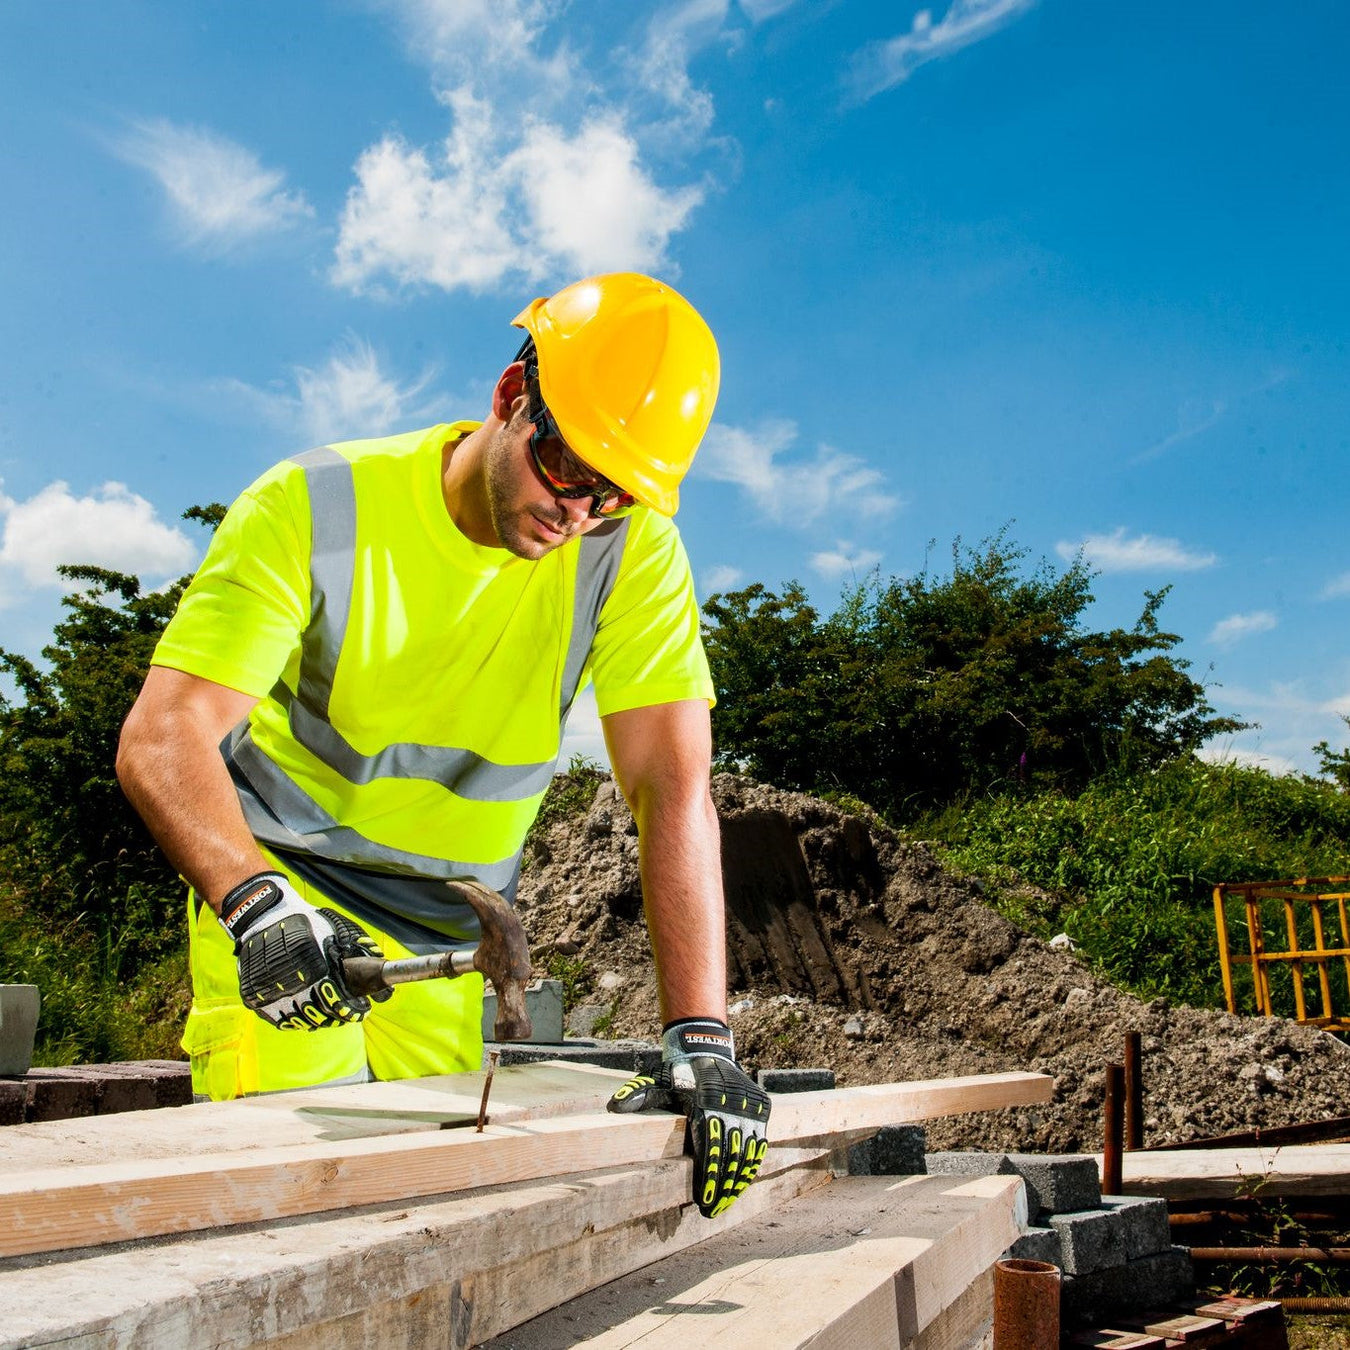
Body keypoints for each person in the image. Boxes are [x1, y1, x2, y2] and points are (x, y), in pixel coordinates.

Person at [116, 272, 769, 1217]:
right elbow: (162, 735)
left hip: (450, 936)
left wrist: (701, 1036)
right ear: (512, 400)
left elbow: (673, 790)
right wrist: (255, 906)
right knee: (286, 1216)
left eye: (614, 497)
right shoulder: (314, 504)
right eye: (567, 470)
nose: (579, 513)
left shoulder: (631, 554)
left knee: (424, 1223)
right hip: (288, 903)